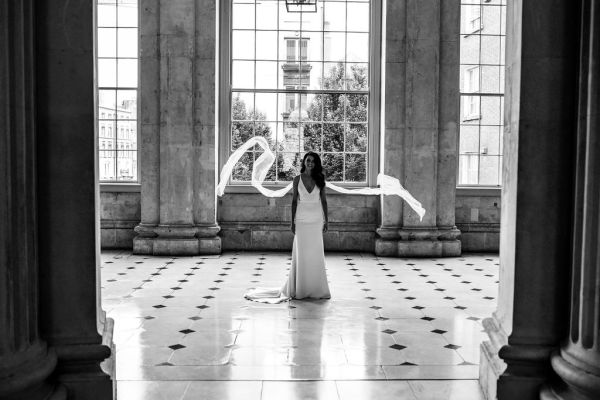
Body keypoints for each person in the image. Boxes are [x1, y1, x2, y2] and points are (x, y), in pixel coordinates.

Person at [244, 151, 331, 303]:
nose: (310, 163)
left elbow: (323, 201)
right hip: (302, 220)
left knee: (316, 253)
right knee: (302, 253)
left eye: (313, 161)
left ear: (316, 164)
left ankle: (317, 289)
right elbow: (294, 202)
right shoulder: (297, 179)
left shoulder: (320, 178)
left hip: (316, 219)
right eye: (308, 160)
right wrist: (292, 222)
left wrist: (326, 220)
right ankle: (300, 288)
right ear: (304, 162)